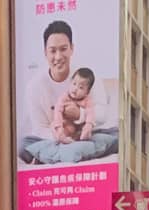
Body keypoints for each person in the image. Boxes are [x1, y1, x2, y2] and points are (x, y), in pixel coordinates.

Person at [19, 20, 118, 167]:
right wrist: (62, 136)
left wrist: (79, 114)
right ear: (45, 52)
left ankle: (57, 155)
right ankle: (73, 153)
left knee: (118, 135)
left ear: (72, 48)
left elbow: (102, 114)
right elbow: (40, 128)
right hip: (55, 137)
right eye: (53, 51)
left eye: (63, 49)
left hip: (87, 135)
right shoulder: (34, 87)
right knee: (23, 145)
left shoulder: (87, 75)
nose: (58, 57)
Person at [53, 67, 97, 144]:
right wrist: (59, 128)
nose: (75, 89)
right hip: (65, 124)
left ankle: (81, 138)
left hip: (79, 127)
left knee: (87, 132)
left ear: (87, 92)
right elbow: (57, 112)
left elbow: (90, 113)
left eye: (81, 87)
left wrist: (88, 125)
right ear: (70, 82)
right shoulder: (64, 97)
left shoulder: (87, 100)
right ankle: (62, 138)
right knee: (56, 126)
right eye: (74, 84)